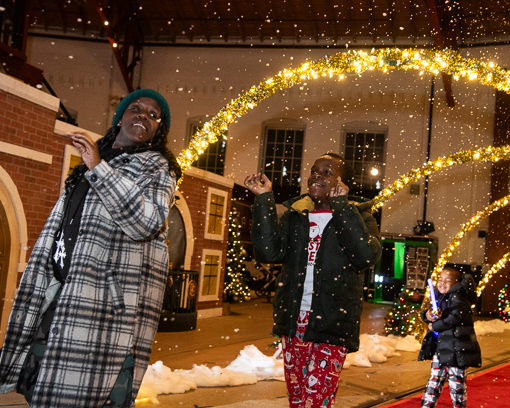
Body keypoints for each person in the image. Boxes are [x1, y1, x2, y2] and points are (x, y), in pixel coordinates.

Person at [0, 89, 182, 407]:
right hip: (58, 291)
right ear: (119, 118)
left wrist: (99, 169)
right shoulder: (90, 164)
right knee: (39, 384)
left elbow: (147, 221)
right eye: (136, 108)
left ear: (159, 130)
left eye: (154, 115)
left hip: (104, 303)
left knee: (85, 393)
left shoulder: (157, 169)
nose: (144, 115)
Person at [244, 153, 382, 408]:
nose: (316, 175)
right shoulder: (296, 215)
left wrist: (341, 207)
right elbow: (268, 252)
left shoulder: (360, 216)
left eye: (326, 172)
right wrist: (263, 200)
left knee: (316, 401)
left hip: (332, 322)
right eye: (314, 170)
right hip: (295, 319)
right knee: (297, 400)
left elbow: (366, 257)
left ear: (343, 184)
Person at [418, 267, 482, 408]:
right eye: (440, 280)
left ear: (457, 283)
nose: (442, 283)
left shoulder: (459, 297)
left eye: (447, 281)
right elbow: (429, 312)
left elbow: (455, 317)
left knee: (456, 387)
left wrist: (435, 326)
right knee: (433, 384)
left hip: (456, 352)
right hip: (440, 350)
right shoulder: (440, 296)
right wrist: (427, 315)